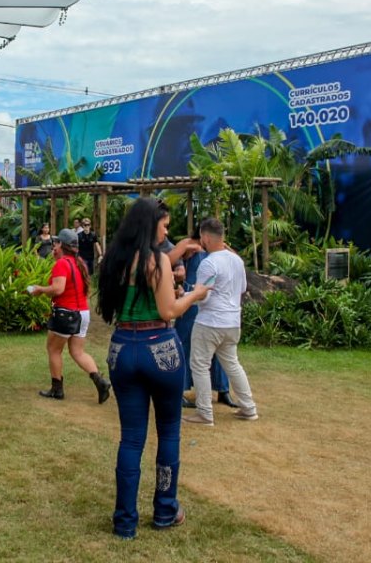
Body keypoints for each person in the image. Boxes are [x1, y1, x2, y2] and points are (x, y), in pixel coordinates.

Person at [98, 197, 211, 539]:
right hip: (159, 349)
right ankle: (165, 510)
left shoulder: (116, 260)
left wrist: (174, 260)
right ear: (150, 225)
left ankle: (125, 521)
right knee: (169, 432)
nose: (167, 231)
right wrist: (195, 294)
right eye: (164, 225)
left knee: (131, 439)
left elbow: (149, 269)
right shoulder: (157, 261)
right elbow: (168, 311)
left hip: (122, 350)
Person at [182, 218, 259, 426]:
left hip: (210, 321)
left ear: (205, 237)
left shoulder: (208, 263)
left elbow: (202, 296)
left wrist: (184, 294)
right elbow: (242, 288)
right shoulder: (237, 260)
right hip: (233, 321)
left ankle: (205, 412)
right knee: (233, 364)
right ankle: (249, 407)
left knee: (199, 364)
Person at [29, 229, 110, 403]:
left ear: (60, 245)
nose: (53, 247)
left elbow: (58, 289)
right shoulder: (79, 262)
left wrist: (40, 289)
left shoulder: (62, 264)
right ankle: (99, 380)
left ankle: (57, 389)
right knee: (77, 351)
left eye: (55, 243)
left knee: (53, 349)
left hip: (66, 313)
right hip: (82, 312)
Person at [177, 231, 235, 410]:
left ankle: (223, 390)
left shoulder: (218, 252)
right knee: (183, 345)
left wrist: (222, 246)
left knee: (218, 349)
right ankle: (180, 390)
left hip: (213, 308)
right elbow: (174, 257)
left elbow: (234, 260)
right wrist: (188, 248)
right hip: (190, 303)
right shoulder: (189, 245)